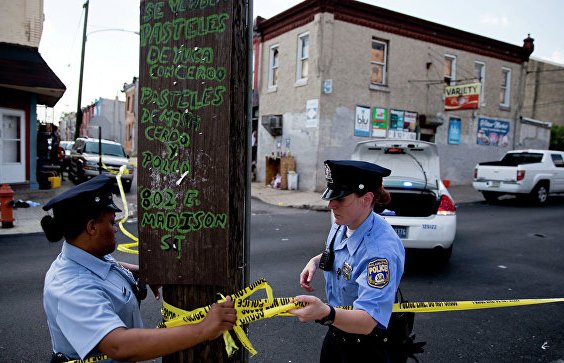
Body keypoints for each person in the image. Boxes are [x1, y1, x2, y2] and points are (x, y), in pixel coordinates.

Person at [41, 174, 237, 362]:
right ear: (92, 228)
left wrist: (143, 273)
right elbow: (119, 346)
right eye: (111, 222)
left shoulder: (84, 254)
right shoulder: (71, 288)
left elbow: (109, 268)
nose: (116, 229)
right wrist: (204, 329)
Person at [290, 160, 405, 362]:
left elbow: (368, 321)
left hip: (365, 347)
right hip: (336, 333)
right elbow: (339, 252)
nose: (331, 204)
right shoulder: (344, 221)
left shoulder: (380, 252)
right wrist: (316, 261)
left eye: (341, 199)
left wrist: (325, 313)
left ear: (366, 199)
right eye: (332, 197)